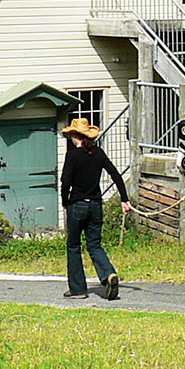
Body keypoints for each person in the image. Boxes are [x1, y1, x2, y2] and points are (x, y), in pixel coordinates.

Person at [59, 117, 132, 300]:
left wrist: (65, 199)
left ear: (76, 136)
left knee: (74, 246)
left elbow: (65, 181)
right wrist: (124, 199)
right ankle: (108, 274)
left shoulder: (72, 156)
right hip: (96, 205)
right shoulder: (98, 153)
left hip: (78, 205)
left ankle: (78, 289)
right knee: (94, 244)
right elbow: (115, 174)